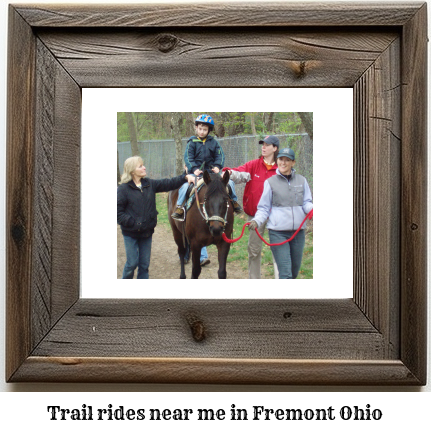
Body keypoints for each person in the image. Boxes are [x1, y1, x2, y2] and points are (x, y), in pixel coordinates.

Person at [171, 114, 242, 266]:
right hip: (196, 173)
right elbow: (188, 158)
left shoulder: (214, 143)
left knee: (230, 184)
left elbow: (220, 156)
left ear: (209, 130)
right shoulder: (191, 143)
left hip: (212, 173)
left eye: (205, 129)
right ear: (196, 128)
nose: (202, 131)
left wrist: (217, 166)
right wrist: (194, 169)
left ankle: (234, 202)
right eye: (200, 128)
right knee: (185, 186)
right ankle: (179, 207)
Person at [117, 155, 194, 279]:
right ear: (132, 171)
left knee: (144, 265)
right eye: (140, 166)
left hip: (146, 233)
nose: (144, 167)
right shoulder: (123, 189)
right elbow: (118, 213)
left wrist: (185, 177)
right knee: (131, 264)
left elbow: (169, 183)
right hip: (130, 233)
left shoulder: (149, 184)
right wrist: (133, 223)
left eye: (143, 165)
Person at [248, 148, 313, 279]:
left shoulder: (302, 181)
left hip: (298, 233)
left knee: (294, 273)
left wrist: (312, 209)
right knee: (285, 273)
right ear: (277, 161)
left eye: (287, 160)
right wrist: (256, 221)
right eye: (281, 159)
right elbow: (264, 208)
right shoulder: (270, 182)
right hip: (278, 232)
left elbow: (306, 202)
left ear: (293, 162)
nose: (283, 163)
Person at [222, 135, 280, 279]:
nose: (264, 147)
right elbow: (239, 173)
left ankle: (282, 281)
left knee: (279, 250)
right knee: (254, 250)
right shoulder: (254, 165)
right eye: (263, 144)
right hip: (255, 216)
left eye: (267, 145)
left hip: (277, 216)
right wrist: (229, 173)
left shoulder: (281, 168)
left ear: (275, 148)